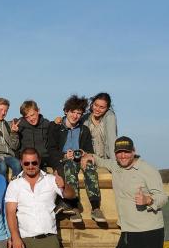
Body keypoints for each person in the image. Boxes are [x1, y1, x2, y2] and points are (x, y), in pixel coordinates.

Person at [48, 95, 106, 224]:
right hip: (65, 161)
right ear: (66, 111)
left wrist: (85, 154)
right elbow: (50, 149)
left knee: (90, 168)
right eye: (72, 112)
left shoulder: (84, 130)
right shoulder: (56, 127)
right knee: (69, 167)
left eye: (79, 113)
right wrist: (64, 156)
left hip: (80, 159)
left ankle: (96, 208)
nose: (75, 116)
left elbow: (89, 149)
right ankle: (74, 208)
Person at [17, 100, 53, 168]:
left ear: (38, 111)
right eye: (27, 117)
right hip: (27, 158)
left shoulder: (47, 124)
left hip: (44, 157)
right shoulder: (19, 125)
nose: (31, 119)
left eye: (32, 115)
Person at [82, 92, 117, 159]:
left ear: (107, 108)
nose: (97, 109)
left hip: (106, 159)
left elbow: (112, 141)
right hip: (89, 158)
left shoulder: (110, 116)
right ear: (92, 104)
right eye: (96, 105)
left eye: (102, 107)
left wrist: (114, 162)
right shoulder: (85, 118)